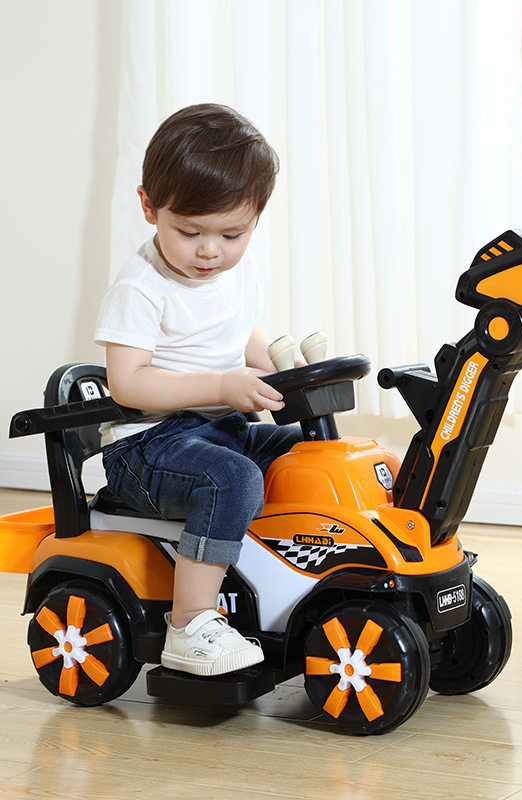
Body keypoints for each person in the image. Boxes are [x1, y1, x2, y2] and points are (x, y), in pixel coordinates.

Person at [94, 104, 303, 676]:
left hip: (218, 430)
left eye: (233, 234)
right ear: (149, 207)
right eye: (190, 232)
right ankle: (190, 624)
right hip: (148, 445)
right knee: (231, 478)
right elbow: (128, 381)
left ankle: (286, 584)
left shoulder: (237, 271)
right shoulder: (141, 287)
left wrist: (286, 364)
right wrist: (219, 384)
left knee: (306, 452)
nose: (211, 251)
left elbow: (241, 335)